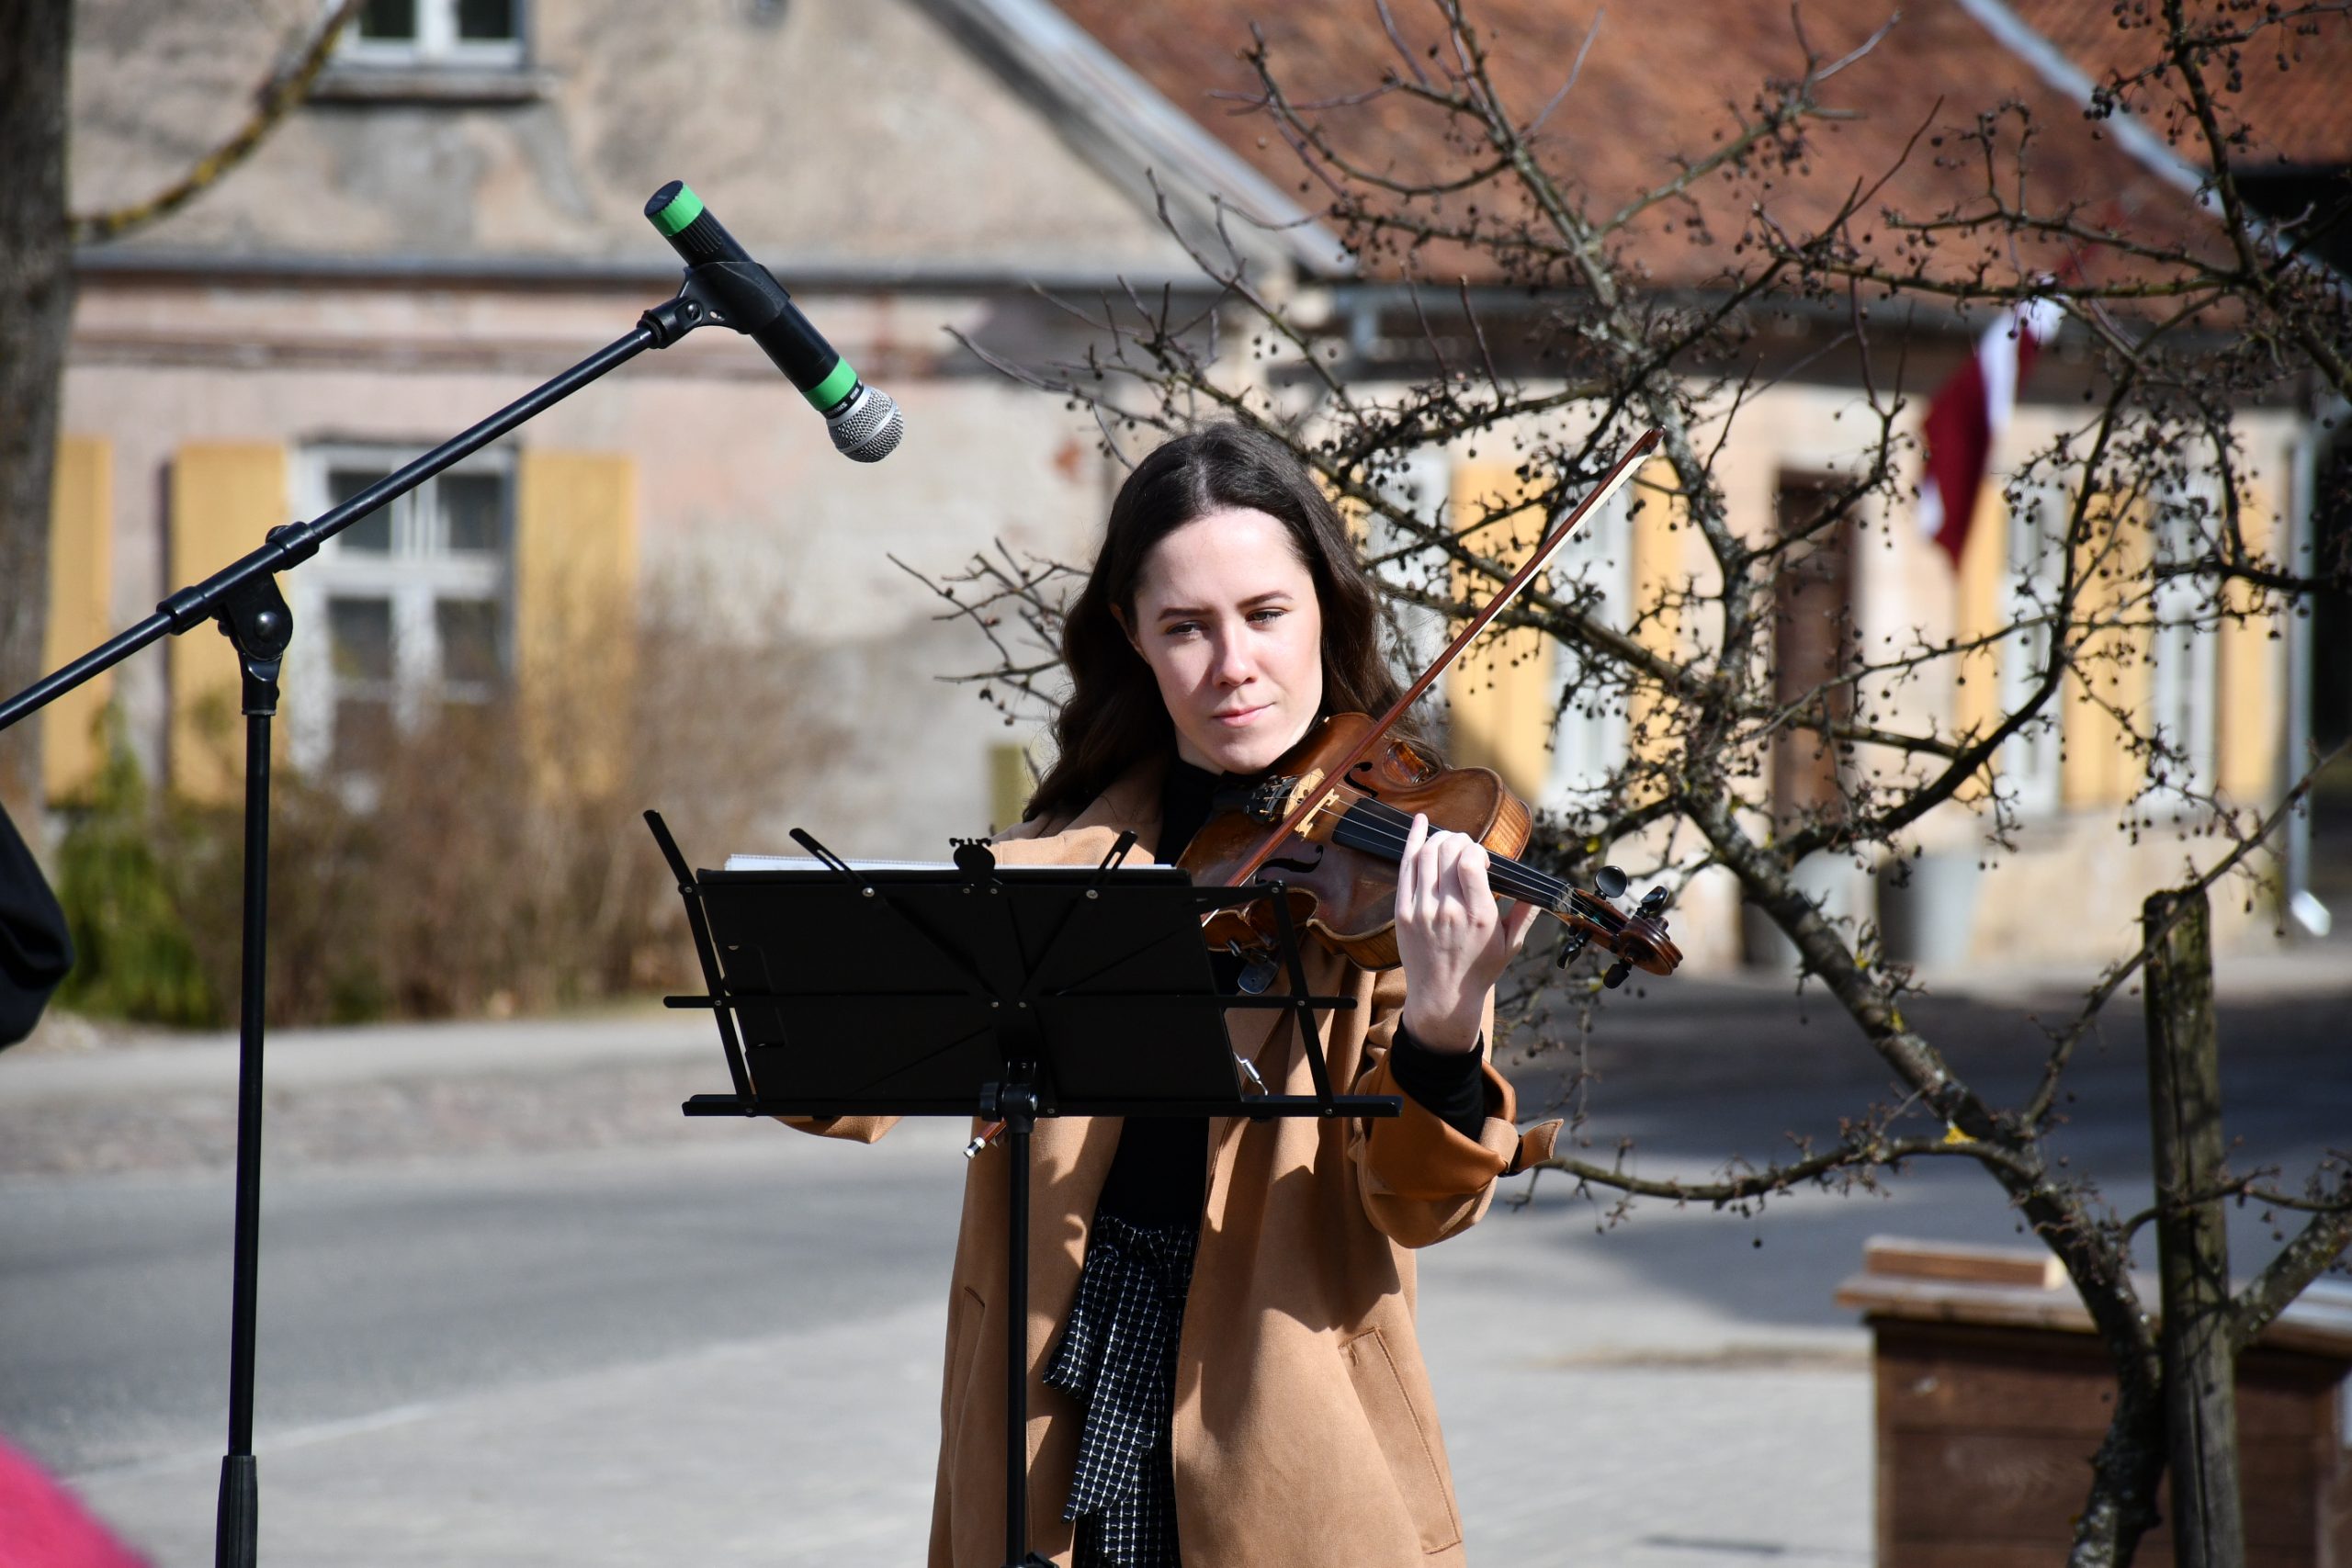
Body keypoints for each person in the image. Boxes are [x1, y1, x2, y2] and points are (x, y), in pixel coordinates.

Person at [787, 423, 1557, 1568]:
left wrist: (1443, 1031)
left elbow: (1418, 1208)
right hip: (1056, 1385)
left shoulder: (1390, 889)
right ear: (1132, 637)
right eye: (1186, 627)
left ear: (1326, 609)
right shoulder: (1057, 863)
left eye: (1266, 613)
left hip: (1287, 1423)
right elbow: (837, 1089)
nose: (1231, 664)